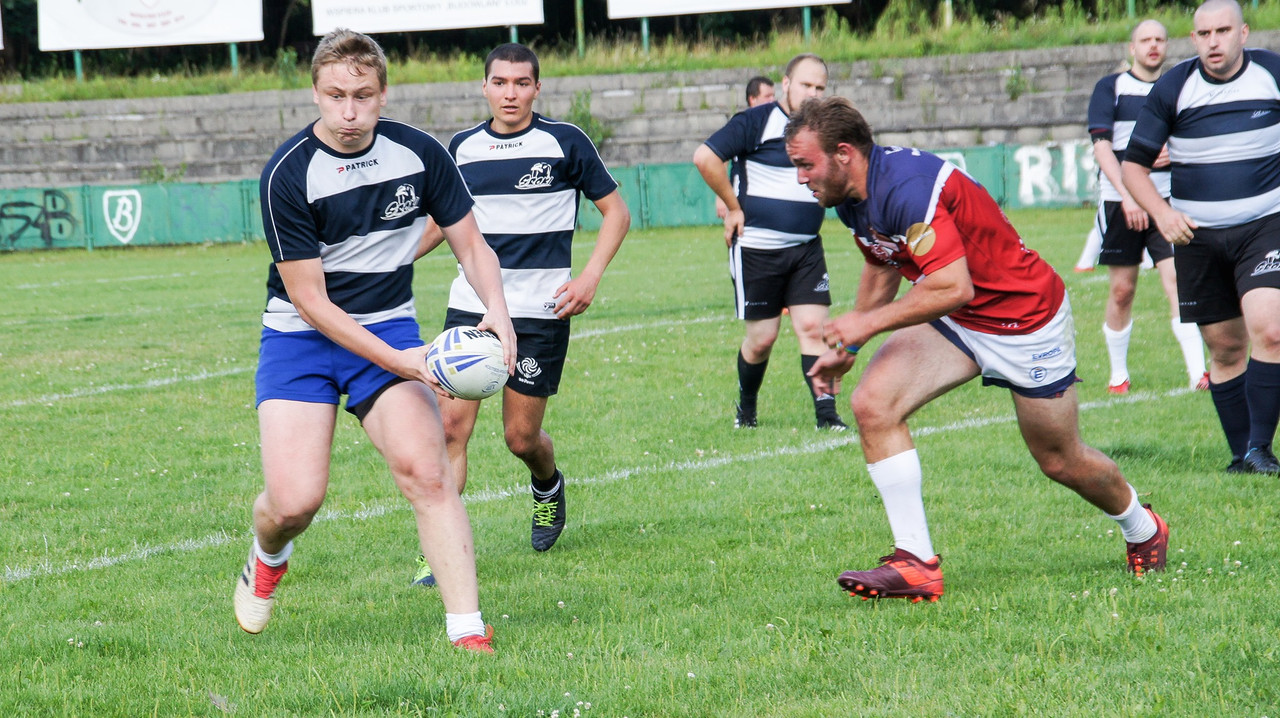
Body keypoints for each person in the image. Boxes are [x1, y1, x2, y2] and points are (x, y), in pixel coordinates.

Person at [784, 96, 1169, 601]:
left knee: (1060, 460)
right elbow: (883, 260)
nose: (799, 178)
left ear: (842, 153)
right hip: (961, 319)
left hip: (1025, 318)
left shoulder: (906, 188)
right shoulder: (852, 195)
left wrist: (864, 322)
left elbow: (952, 286)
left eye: (803, 164)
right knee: (873, 403)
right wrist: (853, 343)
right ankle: (916, 563)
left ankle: (1144, 528)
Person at [235, 28, 516, 653]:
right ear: (315, 93)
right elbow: (311, 301)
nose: (349, 111)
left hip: (388, 321)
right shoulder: (287, 173)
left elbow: (470, 244)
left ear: (383, 93)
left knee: (428, 472)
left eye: (362, 95)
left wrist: (499, 312)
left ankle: (467, 631)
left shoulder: (420, 154)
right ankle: (265, 554)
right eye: (335, 95)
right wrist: (406, 364)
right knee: (294, 501)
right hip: (301, 338)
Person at [412, 43, 630, 586]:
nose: (510, 93)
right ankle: (439, 553)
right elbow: (445, 223)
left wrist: (590, 276)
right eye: (500, 82)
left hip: (540, 313)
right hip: (472, 307)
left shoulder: (565, 143)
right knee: (449, 431)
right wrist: (391, 262)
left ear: (537, 88)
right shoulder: (460, 149)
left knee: (520, 439)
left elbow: (616, 213)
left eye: (521, 83)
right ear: (483, 87)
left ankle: (547, 484)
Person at [1121, 0, 1280, 476]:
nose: (1214, 41)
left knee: (1270, 328)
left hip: (1265, 224)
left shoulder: (1272, 74)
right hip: (1196, 236)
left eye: (1223, 31)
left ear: (1244, 32)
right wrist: (1161, 213)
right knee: (1225, 347)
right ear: (1193, 39)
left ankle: (1260, 449)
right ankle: (1241, 456)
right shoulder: (1175, 87)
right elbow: (1133, 166)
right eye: (1204, 33)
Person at [693, 53, 847, 431]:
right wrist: (732, 206)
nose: (812, 94)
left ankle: (827, 418)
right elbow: (705, 158)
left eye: (820, 88)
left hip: (807, 247)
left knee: (813, 329)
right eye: (806, 85)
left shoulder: (826, 130)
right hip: (757, 249)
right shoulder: (756, 121)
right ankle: (746, 409)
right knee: (762, 339)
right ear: (786, 84)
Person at [1087, 19, 1208, 394]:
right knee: (1123, 290)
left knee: (1178, 282)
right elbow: (1102, 146)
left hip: (1168, 201)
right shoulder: (1111, 87)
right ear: (1132, 47)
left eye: (1159, 39)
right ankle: (1118, 376)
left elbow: (1197, 138)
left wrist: (1178, 149)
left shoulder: (1180, 86)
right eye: (1146, 39)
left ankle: (1198, 374)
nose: (1153, 45)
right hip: (1120, 201)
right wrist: (1127, 193)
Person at [716, 76, 776, 220]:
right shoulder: (742, 126)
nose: (772, 100)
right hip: (743, 199)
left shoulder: (777, 125)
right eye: (767, 96)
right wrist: (720, 197)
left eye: (774, 96)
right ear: (752, 99)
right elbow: (721, 158)